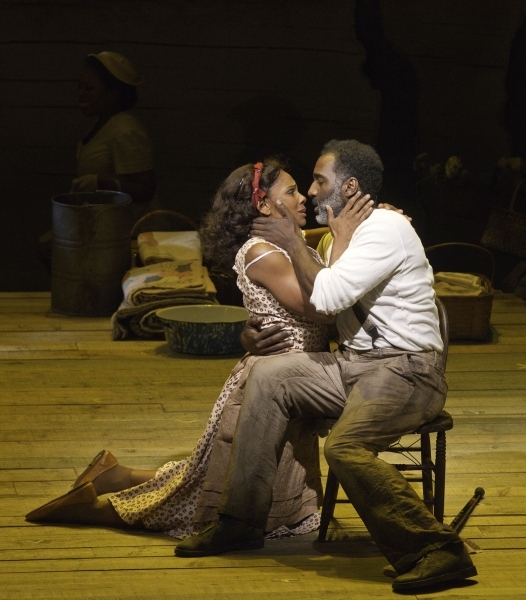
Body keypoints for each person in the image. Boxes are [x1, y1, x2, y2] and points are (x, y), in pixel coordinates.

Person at [174, 140, 478, 593]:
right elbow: (320, 263)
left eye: (319, 181)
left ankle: (435, 548)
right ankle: (241, 521)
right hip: (354, 364)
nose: (313, 192)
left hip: (406, 371)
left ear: (350, 186)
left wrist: (294, 239)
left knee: (343, 447)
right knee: (268, 375)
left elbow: (328, 298)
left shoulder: (385, 231)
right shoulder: (346, 231)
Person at [25, 158, 372, 538]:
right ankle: (94, 511)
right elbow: (321, 309)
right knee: (198, 497)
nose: (303, 195)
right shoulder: (262, 253)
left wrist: (367, 221)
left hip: (288, 376)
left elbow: (309, 256)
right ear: (264, 206)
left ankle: (115, 475)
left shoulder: (287, 245)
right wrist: (342, 236)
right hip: (270, 381)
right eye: (290, 191)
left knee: (204, 473)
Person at [73, 51, 157, 222]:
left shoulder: (125, 129)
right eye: (80, 86)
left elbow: (146, 190)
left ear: (113, 93)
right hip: (106, 225)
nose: (81, 93)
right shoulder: (104, 123)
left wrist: (101, 183)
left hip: (128, 232)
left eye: (89, 88)